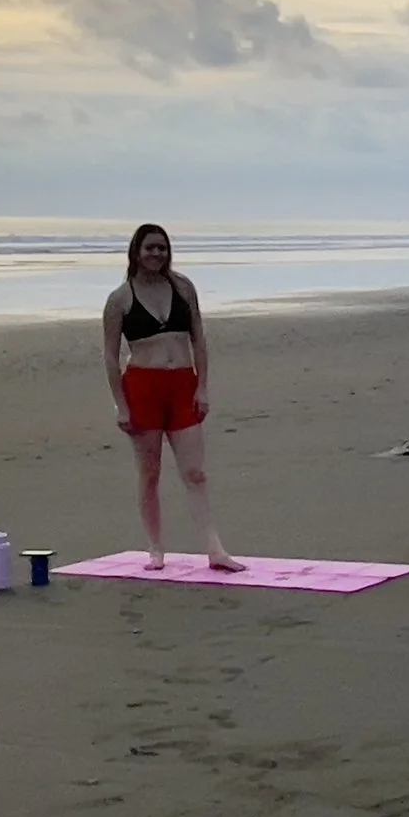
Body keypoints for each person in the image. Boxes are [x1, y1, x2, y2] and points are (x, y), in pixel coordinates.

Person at [101, 224, 242, 570]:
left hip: (182, 384)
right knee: (150, 473)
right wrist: (121, 404)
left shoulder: (183, 288)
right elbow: (109, 355)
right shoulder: (120, 299)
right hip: (142, 387)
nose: (156, 254)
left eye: (162, 248)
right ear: (136, 251)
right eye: (150, 248)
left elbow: (199, 339)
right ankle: (155, 549)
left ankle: (215, 549)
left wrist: (202, 386)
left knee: (195, 472)